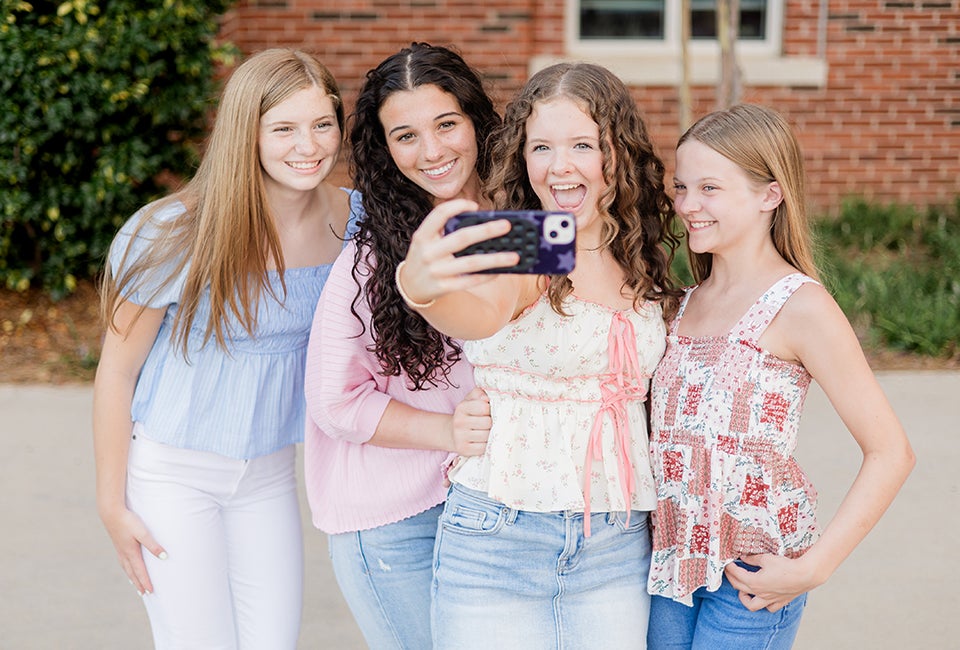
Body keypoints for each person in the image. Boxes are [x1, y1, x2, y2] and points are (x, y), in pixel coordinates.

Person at [397, 62, 683, 649]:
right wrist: (422, 289)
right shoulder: (533, 238)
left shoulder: (640, 249)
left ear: (617, 152)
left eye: (583, 144)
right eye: (542, 147)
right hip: (502, 535)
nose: (560, 166)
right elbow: (482, 312)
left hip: (616, 539)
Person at [93, 48, 359, 649]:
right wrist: (113, 504)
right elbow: (117, 372)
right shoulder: (173, 231)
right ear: (248, 133)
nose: (308, 145)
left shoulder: (356, 222)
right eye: (284, 128)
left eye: (322, 124)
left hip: (267, 475)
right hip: (172, 474)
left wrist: (561, 243)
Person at [645, 103, 916, 649]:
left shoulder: (801, 307)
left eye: (710, 189)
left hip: (752, 574)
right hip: (668, 566)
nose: (688, 206)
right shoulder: (679, 304)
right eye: (681, 188)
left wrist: (816, 566)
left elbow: (892, 452)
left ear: (771, 194)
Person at [302, 42, 500, 649]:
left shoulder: (525, 228)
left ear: (477, 122)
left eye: (446, 124)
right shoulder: (373, 255)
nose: (433, 151)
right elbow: (333, 401)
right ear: (385, 150)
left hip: (497, 505)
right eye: (406, 135)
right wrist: (445, 433)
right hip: (395, 522)